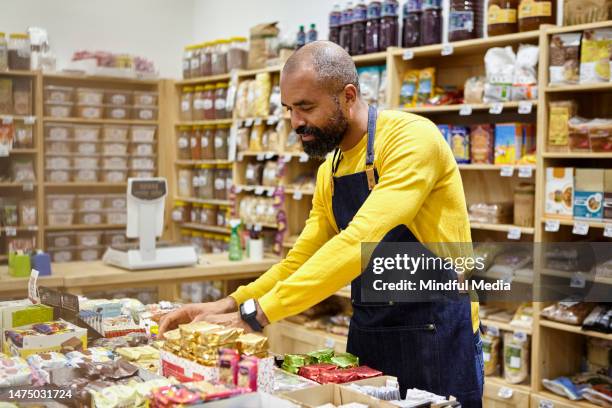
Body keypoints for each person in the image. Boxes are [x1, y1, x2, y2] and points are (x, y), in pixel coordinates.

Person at [159, 40, 484, 406]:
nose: (296, 122)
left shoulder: (410, 140)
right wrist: (229, 303)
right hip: (370, 336)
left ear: (347, 96)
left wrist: (257, 315)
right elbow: (299, 261)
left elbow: (359, 241)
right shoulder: (330, 170)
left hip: (437, 336)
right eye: (289, 109)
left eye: (306, 107)